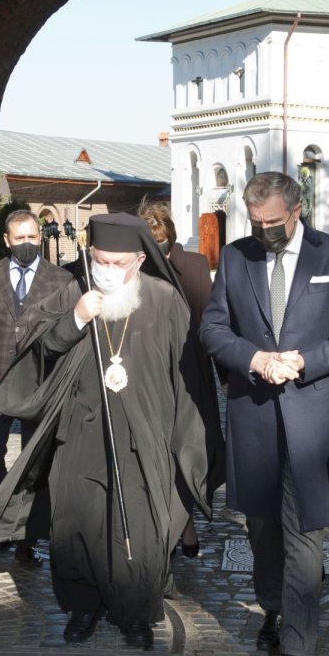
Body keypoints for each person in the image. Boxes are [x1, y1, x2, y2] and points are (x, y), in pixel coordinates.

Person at [0, 213, 218, 649]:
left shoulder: (165, 299)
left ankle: (133, 611)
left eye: (120, 263)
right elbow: (34, 354)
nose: (109, 271)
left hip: (145, 431)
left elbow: (188, 376)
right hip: (77, 430)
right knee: (78, 522)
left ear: (139, 258)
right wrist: (73, 321)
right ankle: (83, 606)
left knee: (139, 522)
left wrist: (186, 442)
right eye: (101, 261)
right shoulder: (72, 292)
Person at [199, 171, 329, 656]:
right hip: (252, 412)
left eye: (273, 222)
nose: (265, 232)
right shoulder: (235, 257)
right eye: (256, 223)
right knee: (262, 527)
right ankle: (272, 606)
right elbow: (212, 329)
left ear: (297, 211)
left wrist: (305, 361)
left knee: (305, 533)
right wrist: (253, 358)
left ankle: (296, 651)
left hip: (310, 418)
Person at [0, 209, 72, 564]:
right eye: (19, 238)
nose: (26, 244)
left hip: (40, 382)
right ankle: (7, 516)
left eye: (32, 237)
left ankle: (25, 535)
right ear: (5, 240)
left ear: (40, 237)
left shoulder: (61, 279)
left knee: (34, 461)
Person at [138, 199, 215, 558]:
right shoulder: (134, 269)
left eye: (163, 243)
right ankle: (165, 525)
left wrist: (225, 375)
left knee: (185, 447)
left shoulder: (195, 266)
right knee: (154, 451)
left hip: (188, 374)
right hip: (146, 374)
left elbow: (212, 322)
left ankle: (186, 523)